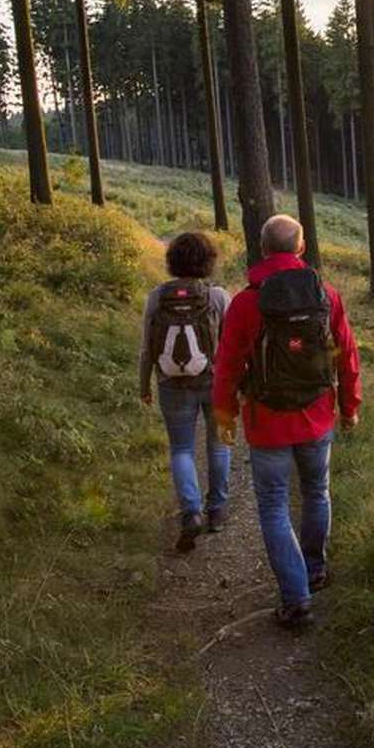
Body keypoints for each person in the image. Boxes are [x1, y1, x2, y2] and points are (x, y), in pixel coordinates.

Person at [213, 214, 361, 628]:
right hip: (317, 415)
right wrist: (350, 406)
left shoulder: (246, 302)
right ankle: (314, 569)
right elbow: (346, 355)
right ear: (300, 249)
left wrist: (224, 416)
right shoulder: (325, 295)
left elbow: (226, 366)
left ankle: (296, 600)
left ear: (262, 250)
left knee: (275, 507)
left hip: (266, 422)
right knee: (317, 491)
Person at [139, 231, 233, 553]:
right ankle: (217, 510)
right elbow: (233, 346)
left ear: (172, 261)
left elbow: (145, 348)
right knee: (220, 444)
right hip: (217, 383)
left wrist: (144, 384)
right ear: (208, 261)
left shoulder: (156, 297)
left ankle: (191, 512)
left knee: (181, 448)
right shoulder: (219, 297)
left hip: (171, 384)